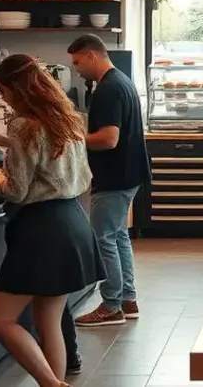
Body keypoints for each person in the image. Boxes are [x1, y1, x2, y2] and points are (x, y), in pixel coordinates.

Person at [0, 54, 104, 387]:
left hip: (41, 231)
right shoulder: (64, 118)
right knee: (50, 322)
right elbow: (53, 159)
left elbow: (15, 190)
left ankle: (52, 383)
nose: (2, 98)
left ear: (15, 88)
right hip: (72, 221)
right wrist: (8, 144)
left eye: (1, 90)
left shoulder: (23, 124)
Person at [67, 35, 151, 327]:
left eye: (78, 62)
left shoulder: (107, 89)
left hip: (114, 176)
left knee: (104, 239)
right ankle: (128, 299)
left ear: (92, 55)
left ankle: (111, 305)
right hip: (130, 173)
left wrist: (74, 140)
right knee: (118, 237)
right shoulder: (122, 81)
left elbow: (108, 139)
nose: (76, 69)